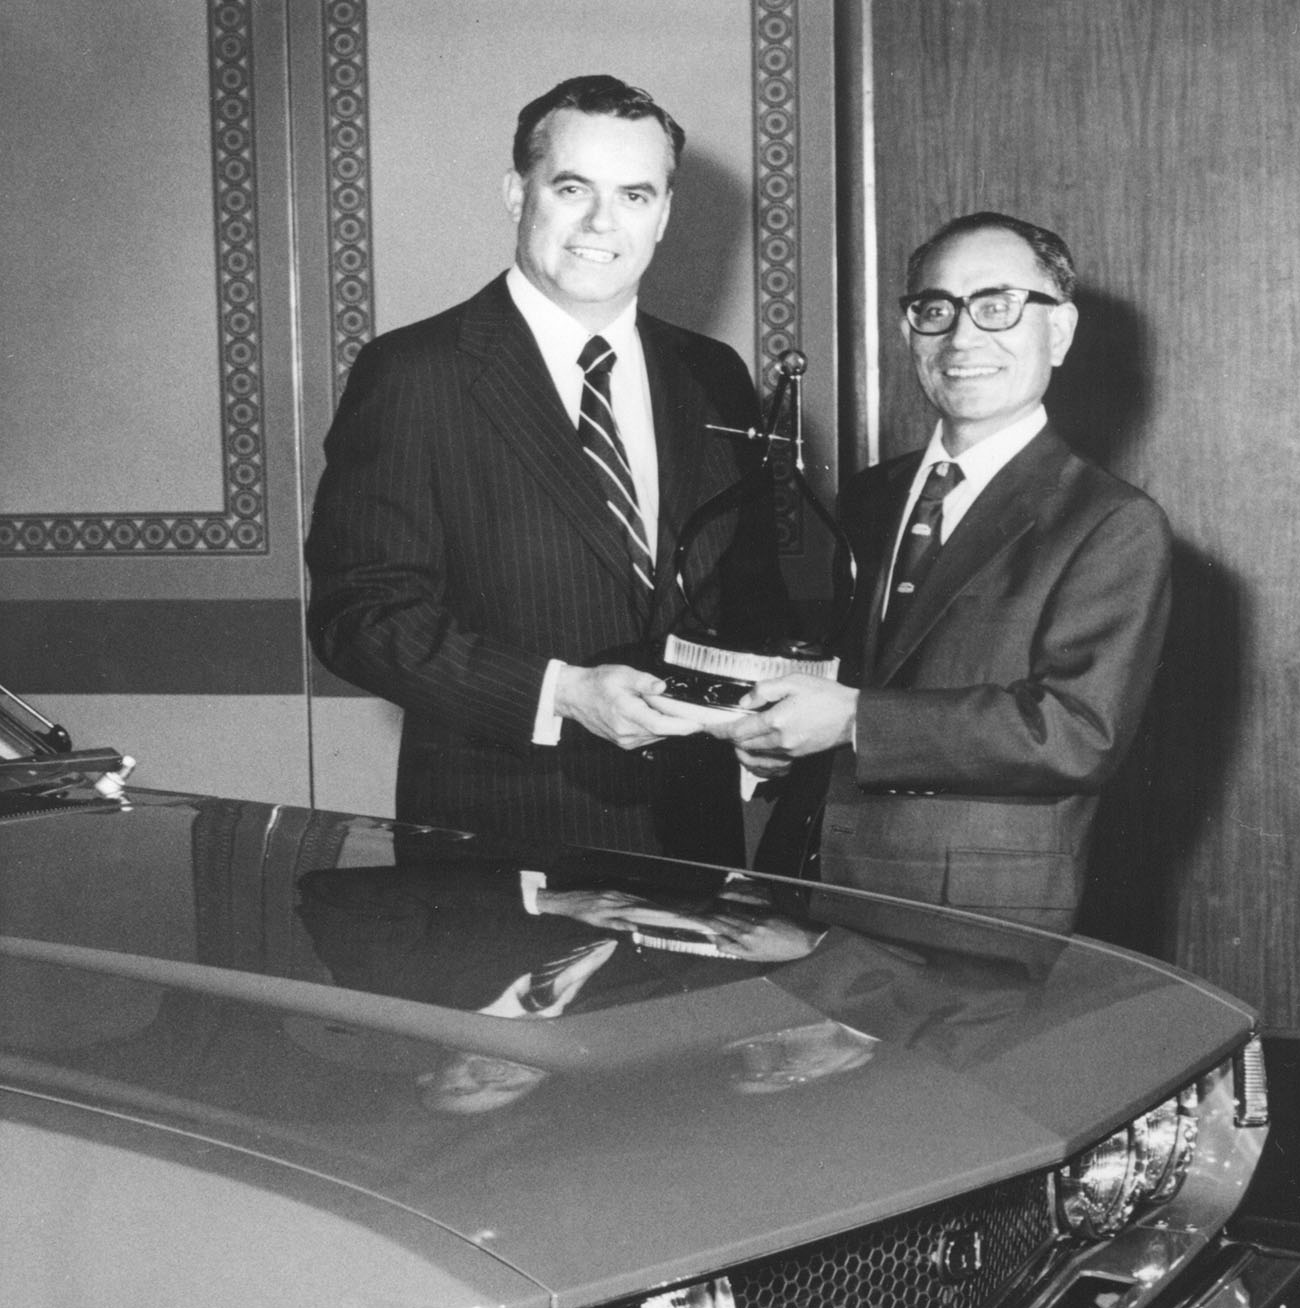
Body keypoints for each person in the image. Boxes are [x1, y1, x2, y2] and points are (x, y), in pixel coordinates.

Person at [305, 75, 789, 867]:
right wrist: (561, 694)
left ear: (664, 214)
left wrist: (764, 725)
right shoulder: (415, 372)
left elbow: (749, 596)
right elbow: (360, 618)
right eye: (573, 188)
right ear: (515, 192)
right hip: (503, 848)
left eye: (635, 195)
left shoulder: (713, 373)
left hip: (698, 844)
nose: (603, 222)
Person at [732, 212, 1171, 930]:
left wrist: (851, 721)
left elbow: (1076, 732)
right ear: (909, 334)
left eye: (996, 308)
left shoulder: (1110, 521)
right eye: (936, 310)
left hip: (972, 916)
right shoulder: (869, 497)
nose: (963, 338)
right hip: (806, 889)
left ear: (1057, 333)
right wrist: (775, 740)